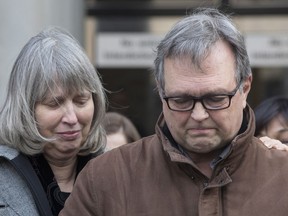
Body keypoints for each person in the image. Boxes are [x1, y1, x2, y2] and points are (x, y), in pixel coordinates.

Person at [60, 8, 288, 216]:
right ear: (161, 92)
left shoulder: (281, 175)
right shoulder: (106, 178)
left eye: (216, 98)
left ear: (245, 88)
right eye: (181, 99)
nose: (199, 115)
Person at [0, 26, 106, 216]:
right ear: (26, 109)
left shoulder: (114, 170)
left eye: (80, 101)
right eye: (54, 104)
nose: (72, 118)